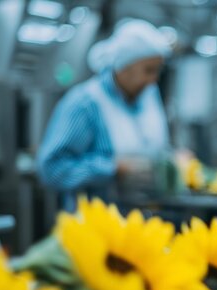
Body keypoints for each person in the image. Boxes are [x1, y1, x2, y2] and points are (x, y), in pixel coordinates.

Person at [37, 19, 171, 211]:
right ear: (124, 67)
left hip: (144, 223)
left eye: (158, 71)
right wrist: (112, 168)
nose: (154, 80)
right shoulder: (86, 103)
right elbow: (51, 170)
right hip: (96, 229)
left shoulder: (148, 97)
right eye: (148, 71)